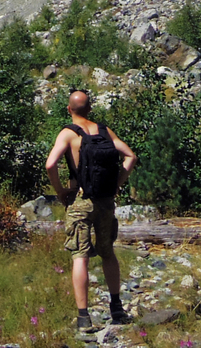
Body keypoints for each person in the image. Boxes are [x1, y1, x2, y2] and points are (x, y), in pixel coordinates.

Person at [44, 88, 137, 333]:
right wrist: (117, 184)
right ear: (90, 108)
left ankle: (84, 318)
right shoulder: (105, 131)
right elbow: (130, 156)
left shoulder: (67, 133)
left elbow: (50, 164)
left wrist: (61, 190)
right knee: (108, 253)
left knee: (80, 256)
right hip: (105, 201)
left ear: (68, 109)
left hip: (80, 200)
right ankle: (116, 308)